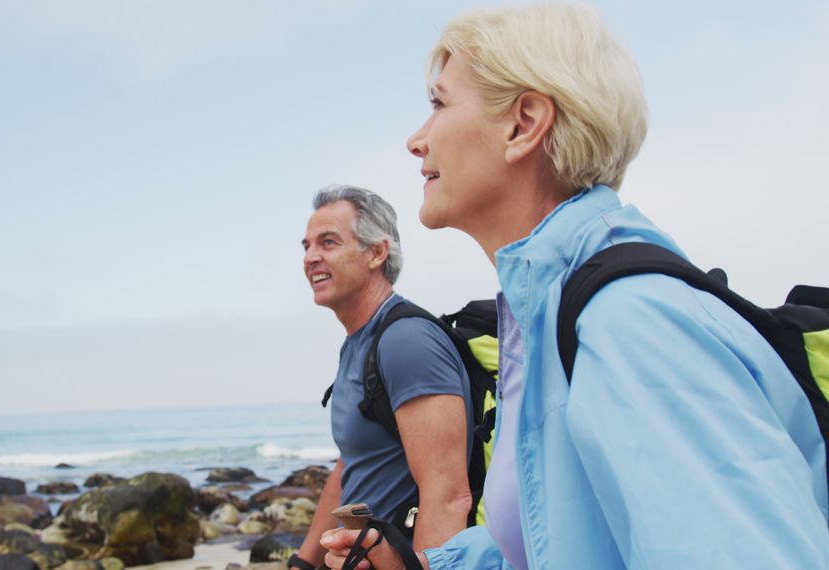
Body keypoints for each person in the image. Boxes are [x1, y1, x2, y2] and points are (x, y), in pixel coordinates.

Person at [320, 3, 829, 569]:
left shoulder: (631, 323)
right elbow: (553, 542)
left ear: (524, 124)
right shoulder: (544, 313)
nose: (417, 140)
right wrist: (424, 566)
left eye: (439, 103)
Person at [291, 185, 476, 570]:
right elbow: (350, 465)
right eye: (306, 246)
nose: (310, 257)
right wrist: (303, 563)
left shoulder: (407, 341)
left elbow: (447, 495)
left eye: (328, 242)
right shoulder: (357, 344)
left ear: (377, 252)